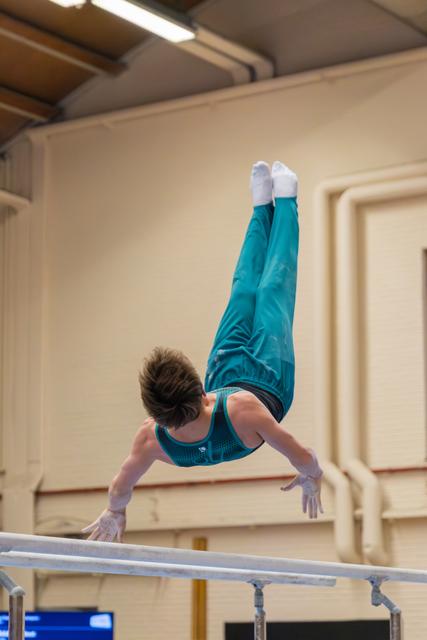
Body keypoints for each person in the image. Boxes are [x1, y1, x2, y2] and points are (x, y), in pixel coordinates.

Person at [82, 161, 324, 543]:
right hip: (270, 380)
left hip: (225, 372)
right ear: (198, 386)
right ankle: (287, 201)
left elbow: (119, 488)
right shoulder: (240, 413)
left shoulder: (151, 441)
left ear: (155, 413)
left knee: (244, 287)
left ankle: (262, 207)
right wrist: (311, 475)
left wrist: (115, 512)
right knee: (273, 287)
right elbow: (303, 455)